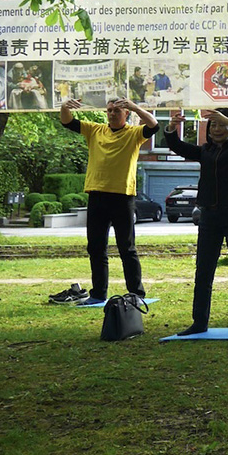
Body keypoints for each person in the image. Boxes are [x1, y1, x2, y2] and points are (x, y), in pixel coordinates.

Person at [165, 108, 228, 335]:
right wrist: (171, 128)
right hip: (209, 216)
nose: (216, 129)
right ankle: (199, 322)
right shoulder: (205, 151)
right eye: (213, 125)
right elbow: (177, 146)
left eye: (221, 125)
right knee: (203, 271)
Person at [60, 97, 158, 305]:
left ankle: (136, 293)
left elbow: (153, 125)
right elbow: (68, 122)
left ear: (126, 114)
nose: (112, 114)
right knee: (96, 247)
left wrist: (134, 107)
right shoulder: (95, 130)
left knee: (126, 248)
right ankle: (98, 293)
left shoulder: (134, 133)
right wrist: (64, 107)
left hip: (122, 196)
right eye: (110, 110)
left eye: (117, 111)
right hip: (97, 195)